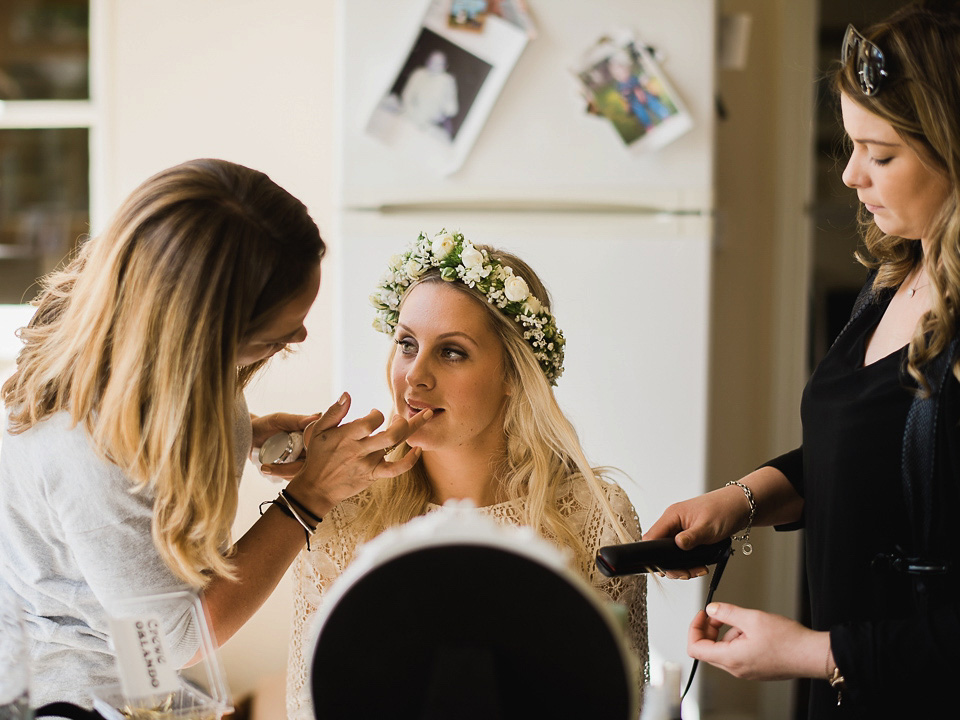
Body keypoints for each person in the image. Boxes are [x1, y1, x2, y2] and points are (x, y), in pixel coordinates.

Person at [0, 158, 429, 708]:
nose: (301, 331)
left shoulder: (149, 331)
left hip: (131, 645)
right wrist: (309, 498)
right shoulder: (87, 451)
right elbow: (177, 637)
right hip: (76, 681)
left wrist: (248, 433)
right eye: (278, 336)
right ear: (203, 335)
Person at [643, 3, 960, 717]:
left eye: (880, 154)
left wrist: (811, 653)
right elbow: (860, 453)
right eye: (850, 147)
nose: (851, 176)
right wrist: (738, 502)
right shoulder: (894, 282)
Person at [286, 230, 649, 718]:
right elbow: (309, 705)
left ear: (512, 379)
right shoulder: (340, 513)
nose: (415, 376)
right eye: (407, 344)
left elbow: (616, 704)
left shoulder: (597, 516)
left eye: (452, 352)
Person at [401, 50, 459, 139]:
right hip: (410, 118)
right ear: (428, 61)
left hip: (431, 126)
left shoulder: (447, 81)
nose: (435, 66)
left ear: (445, 66)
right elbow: (407, 96)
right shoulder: (418, 74)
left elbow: (451, 109)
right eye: (433, 61)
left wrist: (442, 114)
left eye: (439, 63)